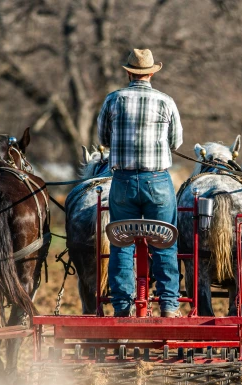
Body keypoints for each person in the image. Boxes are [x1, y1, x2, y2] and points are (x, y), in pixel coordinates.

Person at [97, 48, 183, 317]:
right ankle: (169, 305)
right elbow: (176, 142)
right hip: (157, 180)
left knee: (122, 243)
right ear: (151, 72)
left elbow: (103, 139)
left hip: (122, 182)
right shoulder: (166, 101)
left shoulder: (113, 99)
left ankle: (122, 306)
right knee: (164, 241)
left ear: (128, 72)